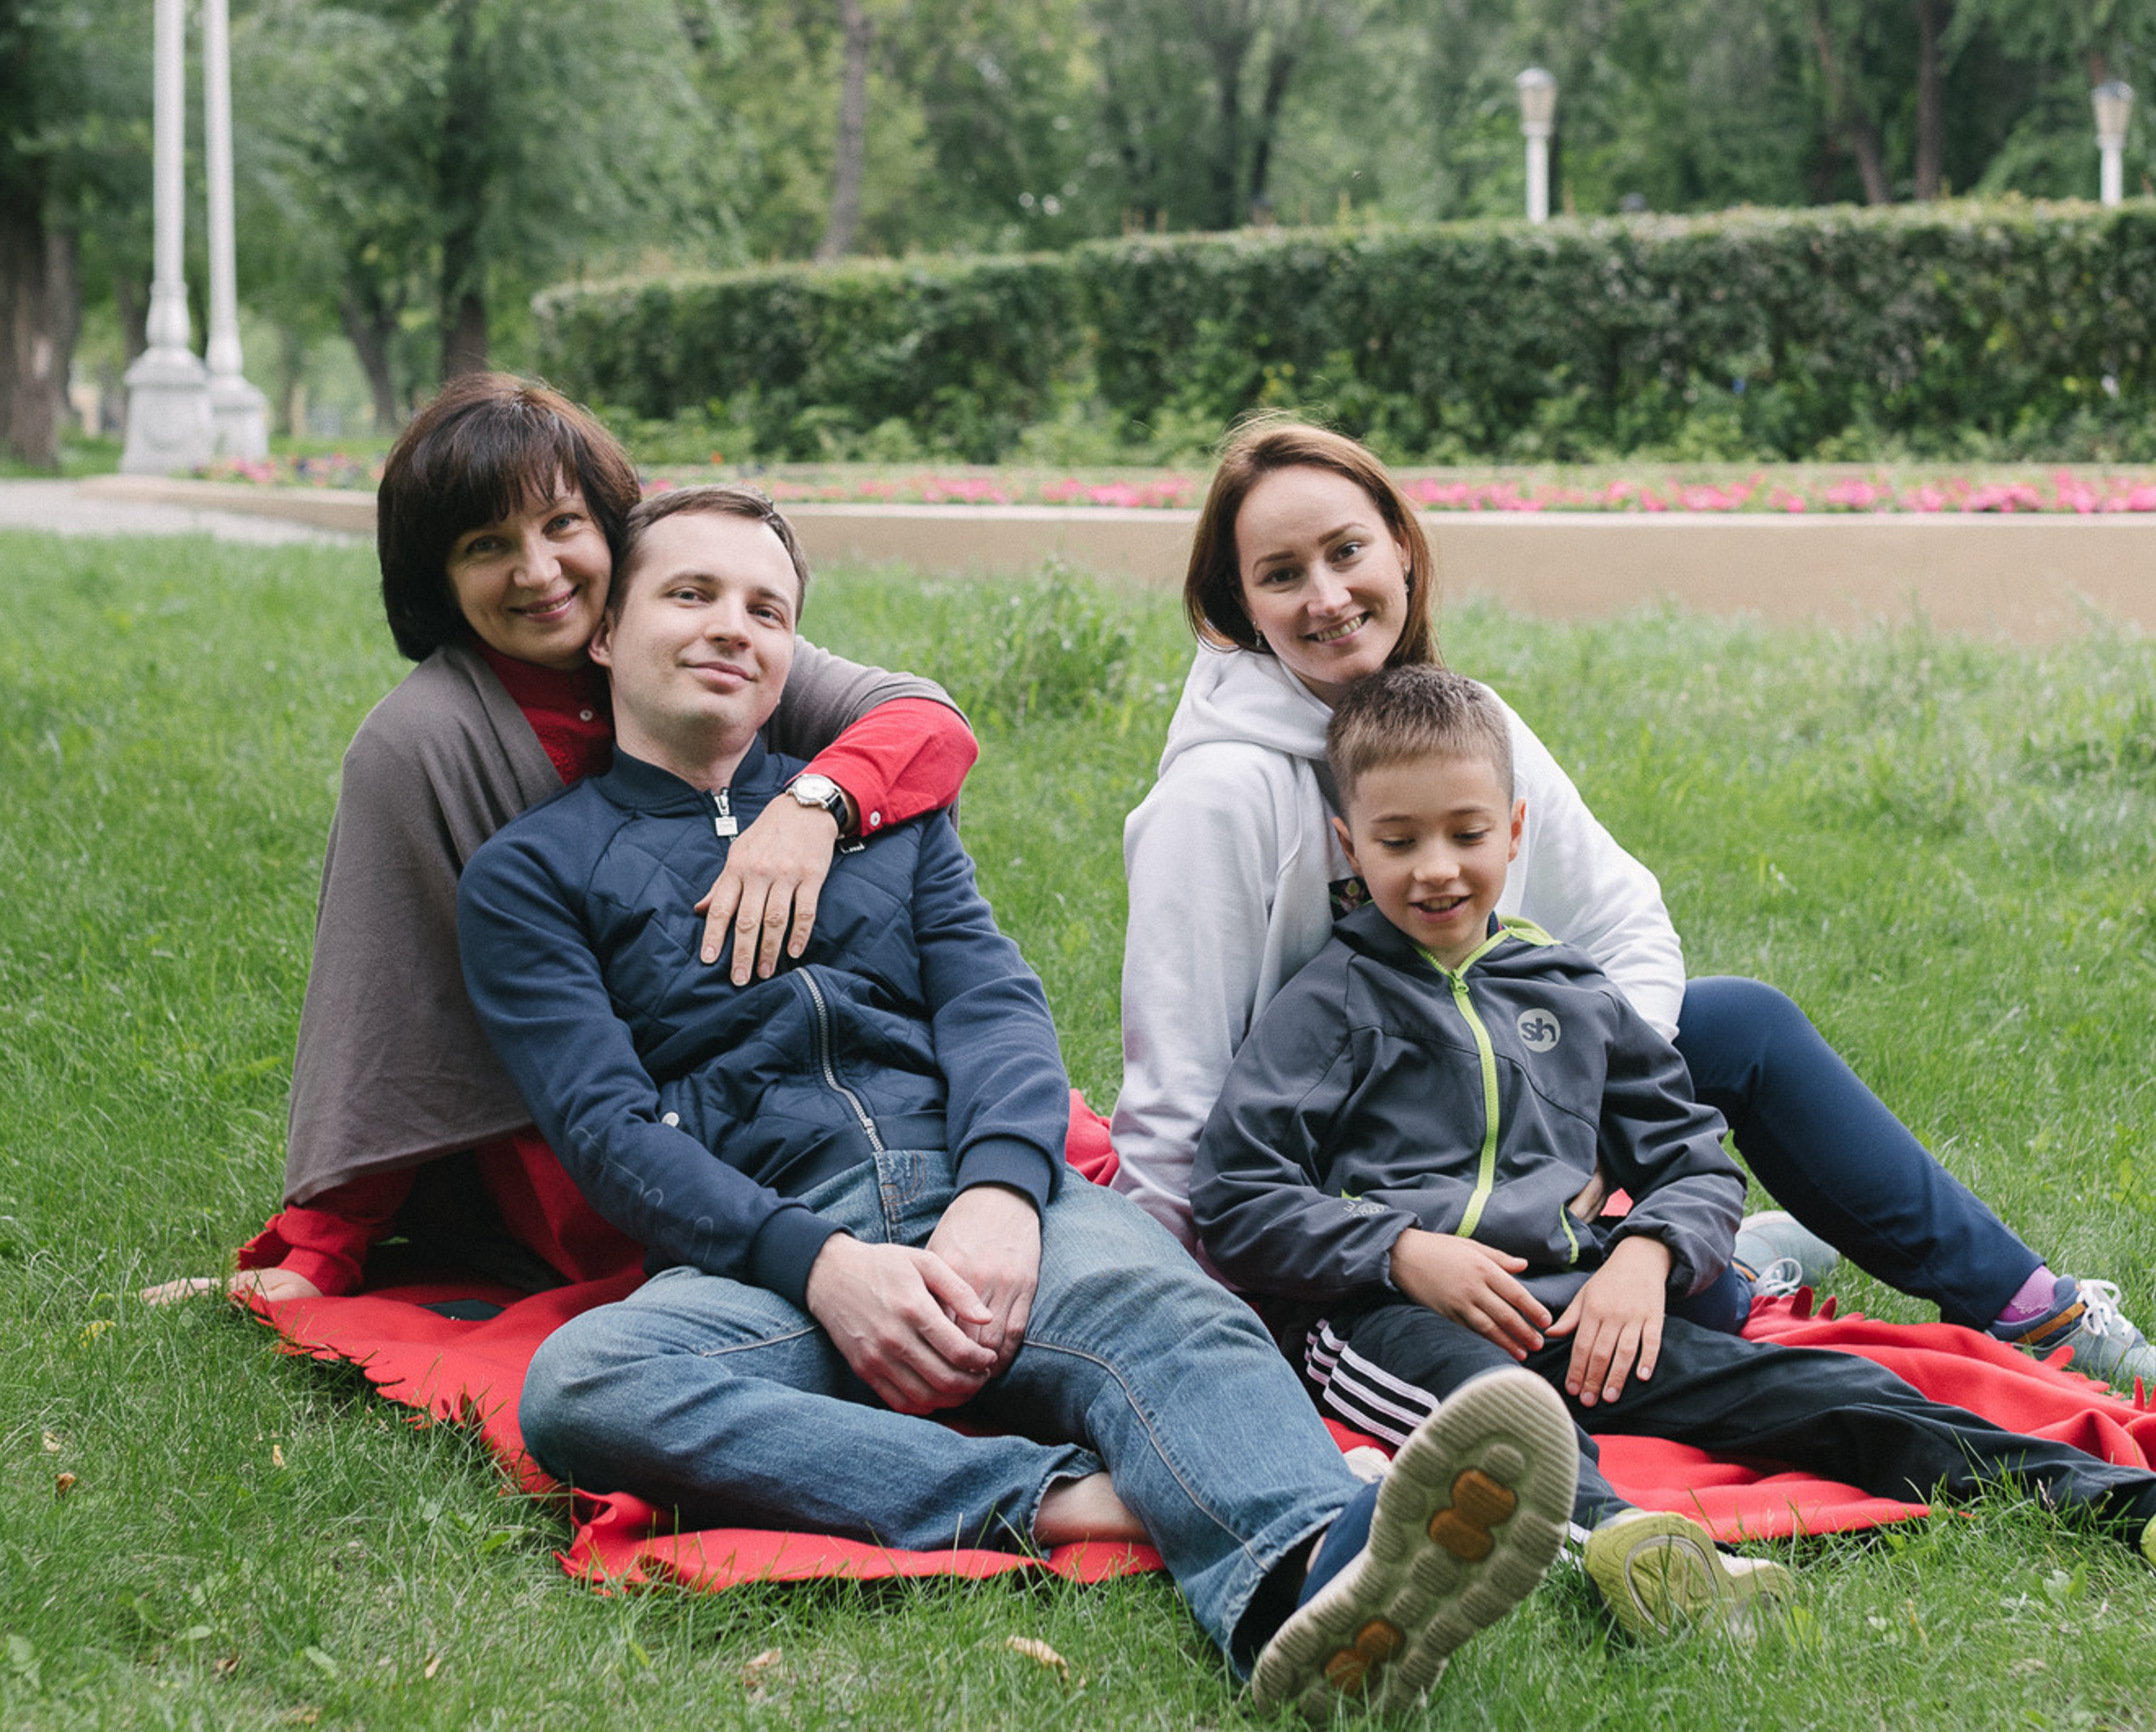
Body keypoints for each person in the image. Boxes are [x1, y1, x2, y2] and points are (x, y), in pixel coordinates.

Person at [453, 486, 1583, 1721]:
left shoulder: (893, 826)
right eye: (692, 595)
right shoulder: (531, 875)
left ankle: (1307, 1589)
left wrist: (1000, 1191)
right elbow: (609, 1132)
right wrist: (821, 1264)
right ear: (607, 635)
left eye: (767, 608)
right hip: (775, 1249)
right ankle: (1055, 1497)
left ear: (790, 656)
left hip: (991, 1204)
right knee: (586, 1386)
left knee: (1180, 1313)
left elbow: (997, 1012)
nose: (734, 627)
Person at [1114, 417, 2156, 1393]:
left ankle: (2040, 1315)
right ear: (1238, 605)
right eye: (1281, 574)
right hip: (1358, 1180)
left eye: (1347, 551)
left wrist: (1579, 1110)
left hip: (1495, 1115)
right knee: (1660, 1318)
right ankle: (1741, 1274)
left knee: (1738, 1020)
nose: (1326, 595)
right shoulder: (1215, 799)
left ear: (1402, 550)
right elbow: (1177, 1102)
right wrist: (1180, 1340)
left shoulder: (1466, 730)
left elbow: (1625, 922)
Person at [1190, 666, 2156, 1635]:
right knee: (1500, 1421)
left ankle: (2108, 1498)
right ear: (1351, 847)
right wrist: (1398, 1248)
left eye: (1466, 834)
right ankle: (1640, 1551)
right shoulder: (1323, 1009)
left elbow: (1690, 1154)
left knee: (1834, 1390)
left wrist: (1647, 1254)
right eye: (1399, 842)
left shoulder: (1568, 991)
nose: (1435, 867)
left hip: (1589, 1315)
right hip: (1390, 1324)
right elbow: (1235, 1190)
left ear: (1515, 832)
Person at [150, 373, 978, 1306]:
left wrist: (814, 805)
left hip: (786, 1060)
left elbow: (929, 727)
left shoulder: (703, 640)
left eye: (560, 525)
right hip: (600, 1124)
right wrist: (322, 1253)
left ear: (613, 525)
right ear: (437, 577)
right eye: (485, 546)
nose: (538, 572)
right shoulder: (419, 743)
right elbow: (385, 994)